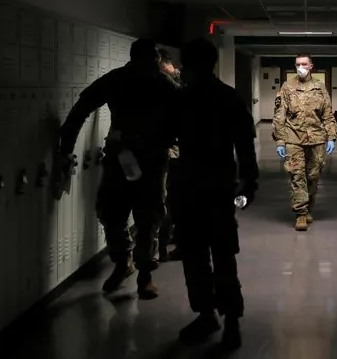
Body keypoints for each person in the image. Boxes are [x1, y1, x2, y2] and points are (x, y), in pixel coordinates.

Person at [57, 38, 179, 299]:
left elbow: (184, 116)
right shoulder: (118, 80)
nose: (152, 65)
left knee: (149, 217)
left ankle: (145, 274)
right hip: (121, 157)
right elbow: (82, 109)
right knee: (111, 212)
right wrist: (65, 147)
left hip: (153, 158)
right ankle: (123, 262)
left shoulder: (162, 83)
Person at [173, 38, 259, 349]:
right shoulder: (229, 98)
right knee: (223, 257)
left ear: (192, 66)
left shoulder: (183, 100)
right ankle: (230, 320)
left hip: (192, 189)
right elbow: (245, 147)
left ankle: (208, 314)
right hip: (220, 188)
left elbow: (165, 139)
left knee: (196, 258)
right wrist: (249, 183)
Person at [272, 53, 337, 231]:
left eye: (304, 64)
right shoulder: (287, 87)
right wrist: (280, 140)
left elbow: (328, 115)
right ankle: (300, 213)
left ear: (311, 66)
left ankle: (308, 207)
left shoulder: (319, 87)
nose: (300, 67)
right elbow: (279, 116)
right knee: (297, 175)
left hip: (316, 138)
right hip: (294, 138)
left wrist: (331, 137)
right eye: (297, 64)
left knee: (313, 176)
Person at [157, 48, 183, 262]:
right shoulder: (159, 84)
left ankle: (176, 243)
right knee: (168, 199)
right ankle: (166, 245)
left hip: (180, 151)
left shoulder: (180, 83)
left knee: (176, 199)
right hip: (167, 150)